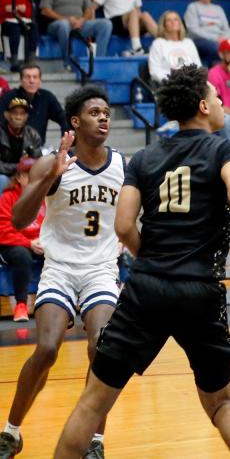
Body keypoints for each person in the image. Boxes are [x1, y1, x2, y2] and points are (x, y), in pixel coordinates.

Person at [53, 67, 230, 459]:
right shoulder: (225, 149)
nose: (224, 103)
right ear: (204, 106)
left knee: (93, 403)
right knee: (221, 403)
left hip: (146, 290)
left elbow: (123, 226)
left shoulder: (145, 157)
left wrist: (153, 261)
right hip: (201, 291)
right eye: (218, 97)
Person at [0, 87, 124, 459]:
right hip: (59, 269)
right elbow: (20, 220)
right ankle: (11, 433)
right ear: (74, 121)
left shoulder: (122, 165)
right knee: (48, 348)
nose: (103, 117)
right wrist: (49, 177)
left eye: (106, 112)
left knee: (101, 347)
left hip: (101, 270)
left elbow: (135, 214)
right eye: (94, 113)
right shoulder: (51, 163)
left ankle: (95, 440)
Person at [40, 0, 113, 65]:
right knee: (64, 25)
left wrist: (82, 20)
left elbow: (89, 9)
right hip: (57, 24)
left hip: (79, 23)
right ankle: (68, 61)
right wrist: (66, 19)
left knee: (106, 24)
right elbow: (45, 10)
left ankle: (99, 61)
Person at [0, 158, 44, 323]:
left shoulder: (46, 196)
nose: (33, 179)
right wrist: (29, 243)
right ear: (19, 177)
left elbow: (54, 224)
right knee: (21, 255)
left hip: (39, 242)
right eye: (28, 175)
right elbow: (3, 231)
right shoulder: (8, 197)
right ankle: (21, 304)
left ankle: (62, 299)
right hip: (11, 245)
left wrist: (45, 241)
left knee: (57, 250)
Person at [0, 64, 67, 138]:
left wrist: (65, 137)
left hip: (38, 146)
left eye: (35, 77)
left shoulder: (47, 97)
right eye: (27, 77)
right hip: (11, 146)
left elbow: (63, 118)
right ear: (21, 80)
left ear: (40, 80)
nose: (31, 81)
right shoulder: (9, 97)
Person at [184, 0, 230, 68]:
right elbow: (193, 30)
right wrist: (215, 38)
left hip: (219, 40)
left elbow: (227, 29)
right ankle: (212, 71)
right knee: (216, 48)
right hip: (199, 40)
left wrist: (224, 38)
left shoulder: (218, 9)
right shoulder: (193, 7)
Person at [0, 0, 38, 71]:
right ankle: (14, 59)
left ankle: (31, 58)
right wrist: (4, 9)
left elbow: (30, 10)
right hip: (4, 21)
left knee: (33, 27)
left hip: (20, 19)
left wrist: (24, 9)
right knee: (14, 29)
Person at [0, 97, 42, 189]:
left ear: (26, 116)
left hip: (26, 176)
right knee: (1, 180)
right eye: (14, 113)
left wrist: (26, 167)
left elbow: (38, 161)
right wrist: (19, 166)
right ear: (6, 115)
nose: (18, 117)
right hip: (5, 176)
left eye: (22, 113)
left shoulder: (33, 135)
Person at [148, 11, 201, 83]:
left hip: (190, 84)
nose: (173, 22)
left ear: (180, 23)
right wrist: (172, 81)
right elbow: (154, 71)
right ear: (164, 25)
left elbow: (198, 66)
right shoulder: (158, 43)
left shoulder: (188, 42)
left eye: (176, 19)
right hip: (169, 85)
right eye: (169, 20)